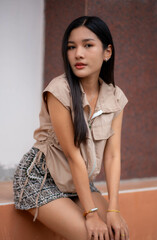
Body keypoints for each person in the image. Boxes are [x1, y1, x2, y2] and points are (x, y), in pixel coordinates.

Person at [13, 16, 129, 240]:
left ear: (107, 52)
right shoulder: (59, 90)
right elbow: (73, 155)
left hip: (77, 182)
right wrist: (91, 214)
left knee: (119, 235)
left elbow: (113, 156)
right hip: (40, 178)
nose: (78, 54)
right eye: (71, 47)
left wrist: (114, 209)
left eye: (88, 45)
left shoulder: (115, 97)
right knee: (92, 236)